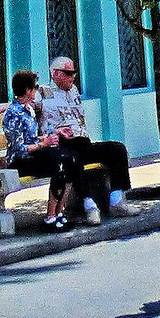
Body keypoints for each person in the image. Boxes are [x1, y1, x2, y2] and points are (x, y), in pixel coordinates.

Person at [37, 57, 132, 215]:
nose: (72, 76)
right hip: (61, 144)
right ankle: (89, 204)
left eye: (73, 73)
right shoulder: (43, 92)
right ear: (55, 73)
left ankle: (116, 199)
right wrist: (2, 108)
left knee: (117, 149)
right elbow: (23, 102)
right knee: (73, 159)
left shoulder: (73, 90)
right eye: (68, 73)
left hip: (82, 142)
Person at [2, 71, 76, 230]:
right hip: (20, 161)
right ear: (27, 90)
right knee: (58, 163)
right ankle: (50, 216)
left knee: (69, 160)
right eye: (34, 87)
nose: (36, 91)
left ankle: (58, 212)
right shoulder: (14, 113)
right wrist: (44, 144)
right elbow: (20, 148)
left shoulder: (28, 108)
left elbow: (33, 138)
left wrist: (52, 136)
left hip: (33, 155)